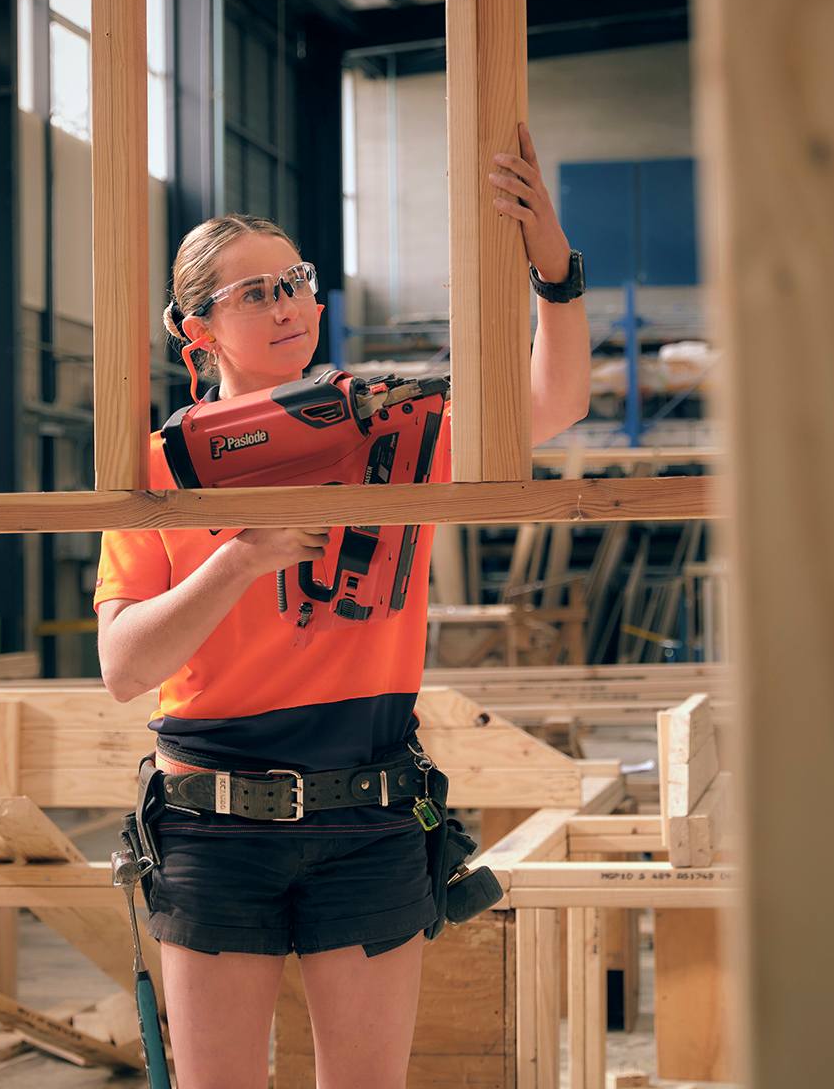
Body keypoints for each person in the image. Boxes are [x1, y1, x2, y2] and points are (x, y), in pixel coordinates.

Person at [94, 123, 591, 1088]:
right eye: (256, 292)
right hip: (211, 822)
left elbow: (555, 400)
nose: (288, 305)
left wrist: (554, 271)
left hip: (367, 815)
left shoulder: (394, 428)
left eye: (297, 282)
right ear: (196, 330)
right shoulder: (160, 470)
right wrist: (242, 558)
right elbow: (124, 669)